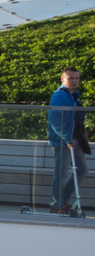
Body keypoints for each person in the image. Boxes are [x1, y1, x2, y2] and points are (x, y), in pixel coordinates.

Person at [48, 67, 86, 217]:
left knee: (82, 170)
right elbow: (55, 119)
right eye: (71, 78)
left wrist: (82, 132)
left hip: (74, 140)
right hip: (64, 142)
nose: (75, 81)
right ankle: (56, 204)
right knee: (61, 173)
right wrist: (66, 137)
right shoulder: (59, 96)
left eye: (77, 78)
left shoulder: (73, 96)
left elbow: (74, 118)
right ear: (62, 79)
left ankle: (62, 200)